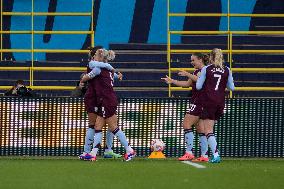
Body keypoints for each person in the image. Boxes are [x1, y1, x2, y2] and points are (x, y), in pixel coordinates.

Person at [81, 48, 135, 161]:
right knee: (98, 126)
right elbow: (110, 72)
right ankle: (93, 154)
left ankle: (130, 150)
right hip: (107, 100)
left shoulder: (98, 68)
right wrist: (114, 71)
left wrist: (82, 79)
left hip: (106, 100)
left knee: (113, 127)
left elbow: (90, 70)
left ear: (100, 57)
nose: (93, 57)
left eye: (95, 55)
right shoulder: (108, 69)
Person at [161, 53, 210, 162]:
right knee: (200, 129)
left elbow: (199, 79)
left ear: (200, 59)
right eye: (191, 60)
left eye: (193, 60)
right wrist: (172, 81)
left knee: (186, 124)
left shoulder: (205, 69)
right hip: (199, 101)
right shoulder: (197, 71)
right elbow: (188, 83)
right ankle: (204, 156)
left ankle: (189, 152)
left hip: (200, 101)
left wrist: (187, 73)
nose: (191, 62)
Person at [196, 48, 235, 163]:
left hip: (209, 101)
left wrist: (200, 77)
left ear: (210, 57)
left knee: (208, 129)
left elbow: (198, 86)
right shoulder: (227, 69)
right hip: (220, 102)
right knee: (210, 129)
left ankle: (216, 155)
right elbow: (232, 88)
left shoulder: (206, 69)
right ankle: (212, 154)